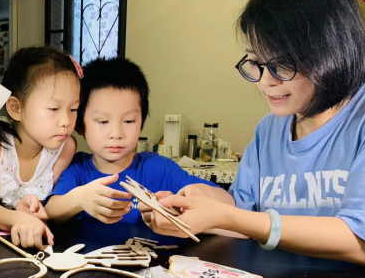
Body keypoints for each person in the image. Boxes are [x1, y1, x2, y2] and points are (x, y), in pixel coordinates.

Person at [140, 0, 365, 264]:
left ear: (331, 51)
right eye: (256, 62)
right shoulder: (269, 130)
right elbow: (243, 217)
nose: (265, 81)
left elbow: (360, 241)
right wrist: (194, 206)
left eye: (282, 64)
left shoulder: (362, 119)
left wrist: (230, 217)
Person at [45, 57, 234, 224]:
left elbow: (228, 202)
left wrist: (189, 196)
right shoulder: (77, 168)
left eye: (129, 121)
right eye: (103, 121)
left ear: (141, 123)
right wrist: (78, 199)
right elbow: (51, 212)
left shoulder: (158, 168)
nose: (116, 133)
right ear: (80, 125)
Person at [0, 47, 82, 249]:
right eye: (54, 109)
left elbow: (48, 205)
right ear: (16, 108)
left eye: (73, 109)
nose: (66, 121)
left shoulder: (66, 147)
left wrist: (36, 211)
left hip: (24, 239)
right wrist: (20, 219)